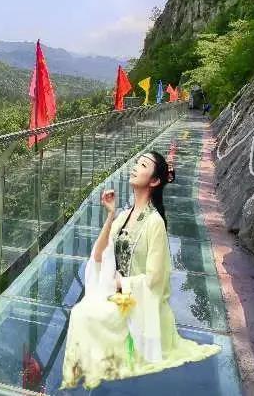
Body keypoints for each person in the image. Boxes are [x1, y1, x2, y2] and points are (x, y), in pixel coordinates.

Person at [59, 151, 220, 390]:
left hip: (141, 303)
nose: (135, 167)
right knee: (81, 312)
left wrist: (119, 283)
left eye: (143, 165)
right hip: (120, 294)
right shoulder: (124, 216)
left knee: (84, 315)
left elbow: (155, 279)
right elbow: (99, 256)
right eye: (136, 163)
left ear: (154, 181)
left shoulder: (155, 223)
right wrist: (110, 215)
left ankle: (96, 369)